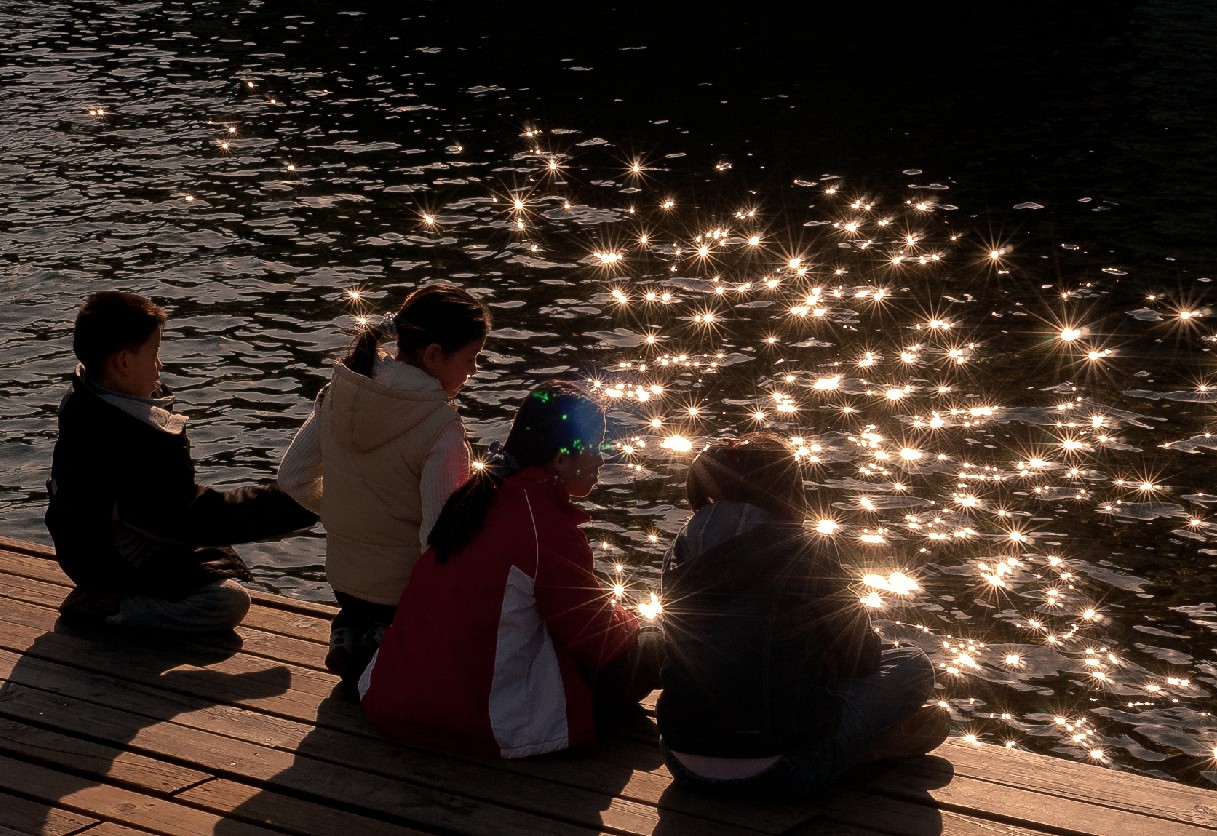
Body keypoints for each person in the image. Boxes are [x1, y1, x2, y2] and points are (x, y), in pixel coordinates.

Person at [359, 380, 660, 758]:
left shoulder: (478, 495)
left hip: (393, 698)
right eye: (596, 447)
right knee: (654, 645)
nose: (602, 459)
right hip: (467, 720)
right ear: (561, 459)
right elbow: (599, 642)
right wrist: (634, 623)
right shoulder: (542, 525)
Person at [656, 433, 948, 801]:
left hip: (680, 758)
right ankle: (863, 749)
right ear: (786, 486)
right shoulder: (803, 548)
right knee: (912, 663)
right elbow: (862, 658)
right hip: (783, 769)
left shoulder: (680, 548)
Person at [45, 291, 317, 632]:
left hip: (133, 533)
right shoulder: (116, 437)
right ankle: (110, 607)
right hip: (109, 557)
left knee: (218, 555)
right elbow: (184, 516)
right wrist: (297, 503)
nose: (160, 366)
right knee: (225, 602)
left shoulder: (102, 396)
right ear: (123, 362)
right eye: (155, 354)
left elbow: (175, 506)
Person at [278, 281, 491, 685]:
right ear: (433, 355)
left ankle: (352, 629)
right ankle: (385, 636)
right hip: (399, 593)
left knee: (360, 607)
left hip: (344, 582)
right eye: (471, 358)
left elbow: (292, 477)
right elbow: (437, 539)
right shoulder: (440, 428)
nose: (474, 371)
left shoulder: (340, 390)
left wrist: (351, 515)